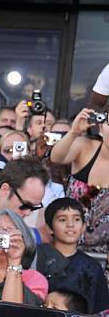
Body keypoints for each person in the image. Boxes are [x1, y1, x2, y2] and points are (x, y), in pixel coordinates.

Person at [50, 107, 109, 286]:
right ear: (101, 126)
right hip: (66, 248)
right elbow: (56, 157)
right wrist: (74, 132)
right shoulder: (85, 146)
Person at [36, 197, 109, 314]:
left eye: (76, 219)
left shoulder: (92, 267)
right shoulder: (36, 257)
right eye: (62, 219)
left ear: (84, 227)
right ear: (49, 228)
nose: (70, 225)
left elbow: (100, 311)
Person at [0, 209, 48, 305]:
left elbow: (12, 314)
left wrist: (14, 260)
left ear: (23, 240)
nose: (1, 235)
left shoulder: (34, 279)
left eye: (9, 232)